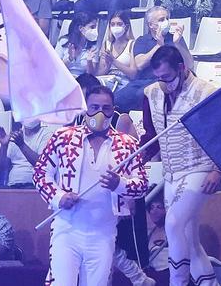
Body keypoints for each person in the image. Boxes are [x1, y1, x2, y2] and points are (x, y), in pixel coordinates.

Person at [35, 85, 149, 286]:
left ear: (114, 110)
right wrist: (58, 197)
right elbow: (40, 173)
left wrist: (120, 184)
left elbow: (141, 185)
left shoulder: (128, 144)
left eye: (106, 108)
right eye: (94, 106)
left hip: (104, 233)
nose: (99, 112)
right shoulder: (63, 137)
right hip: (67, 229)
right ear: (85, 108)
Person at [141, 46, 221, 286]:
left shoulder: (207, 93)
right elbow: (151, 136)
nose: (163, 84)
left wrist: (218, 170)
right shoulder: (150, 93)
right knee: (189, 238)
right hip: (171, 172)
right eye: (158, 78)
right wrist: (140, 158)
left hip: (200, 167)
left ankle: (178, 283)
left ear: (181, 68)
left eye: (167, 77)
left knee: (173, 223)